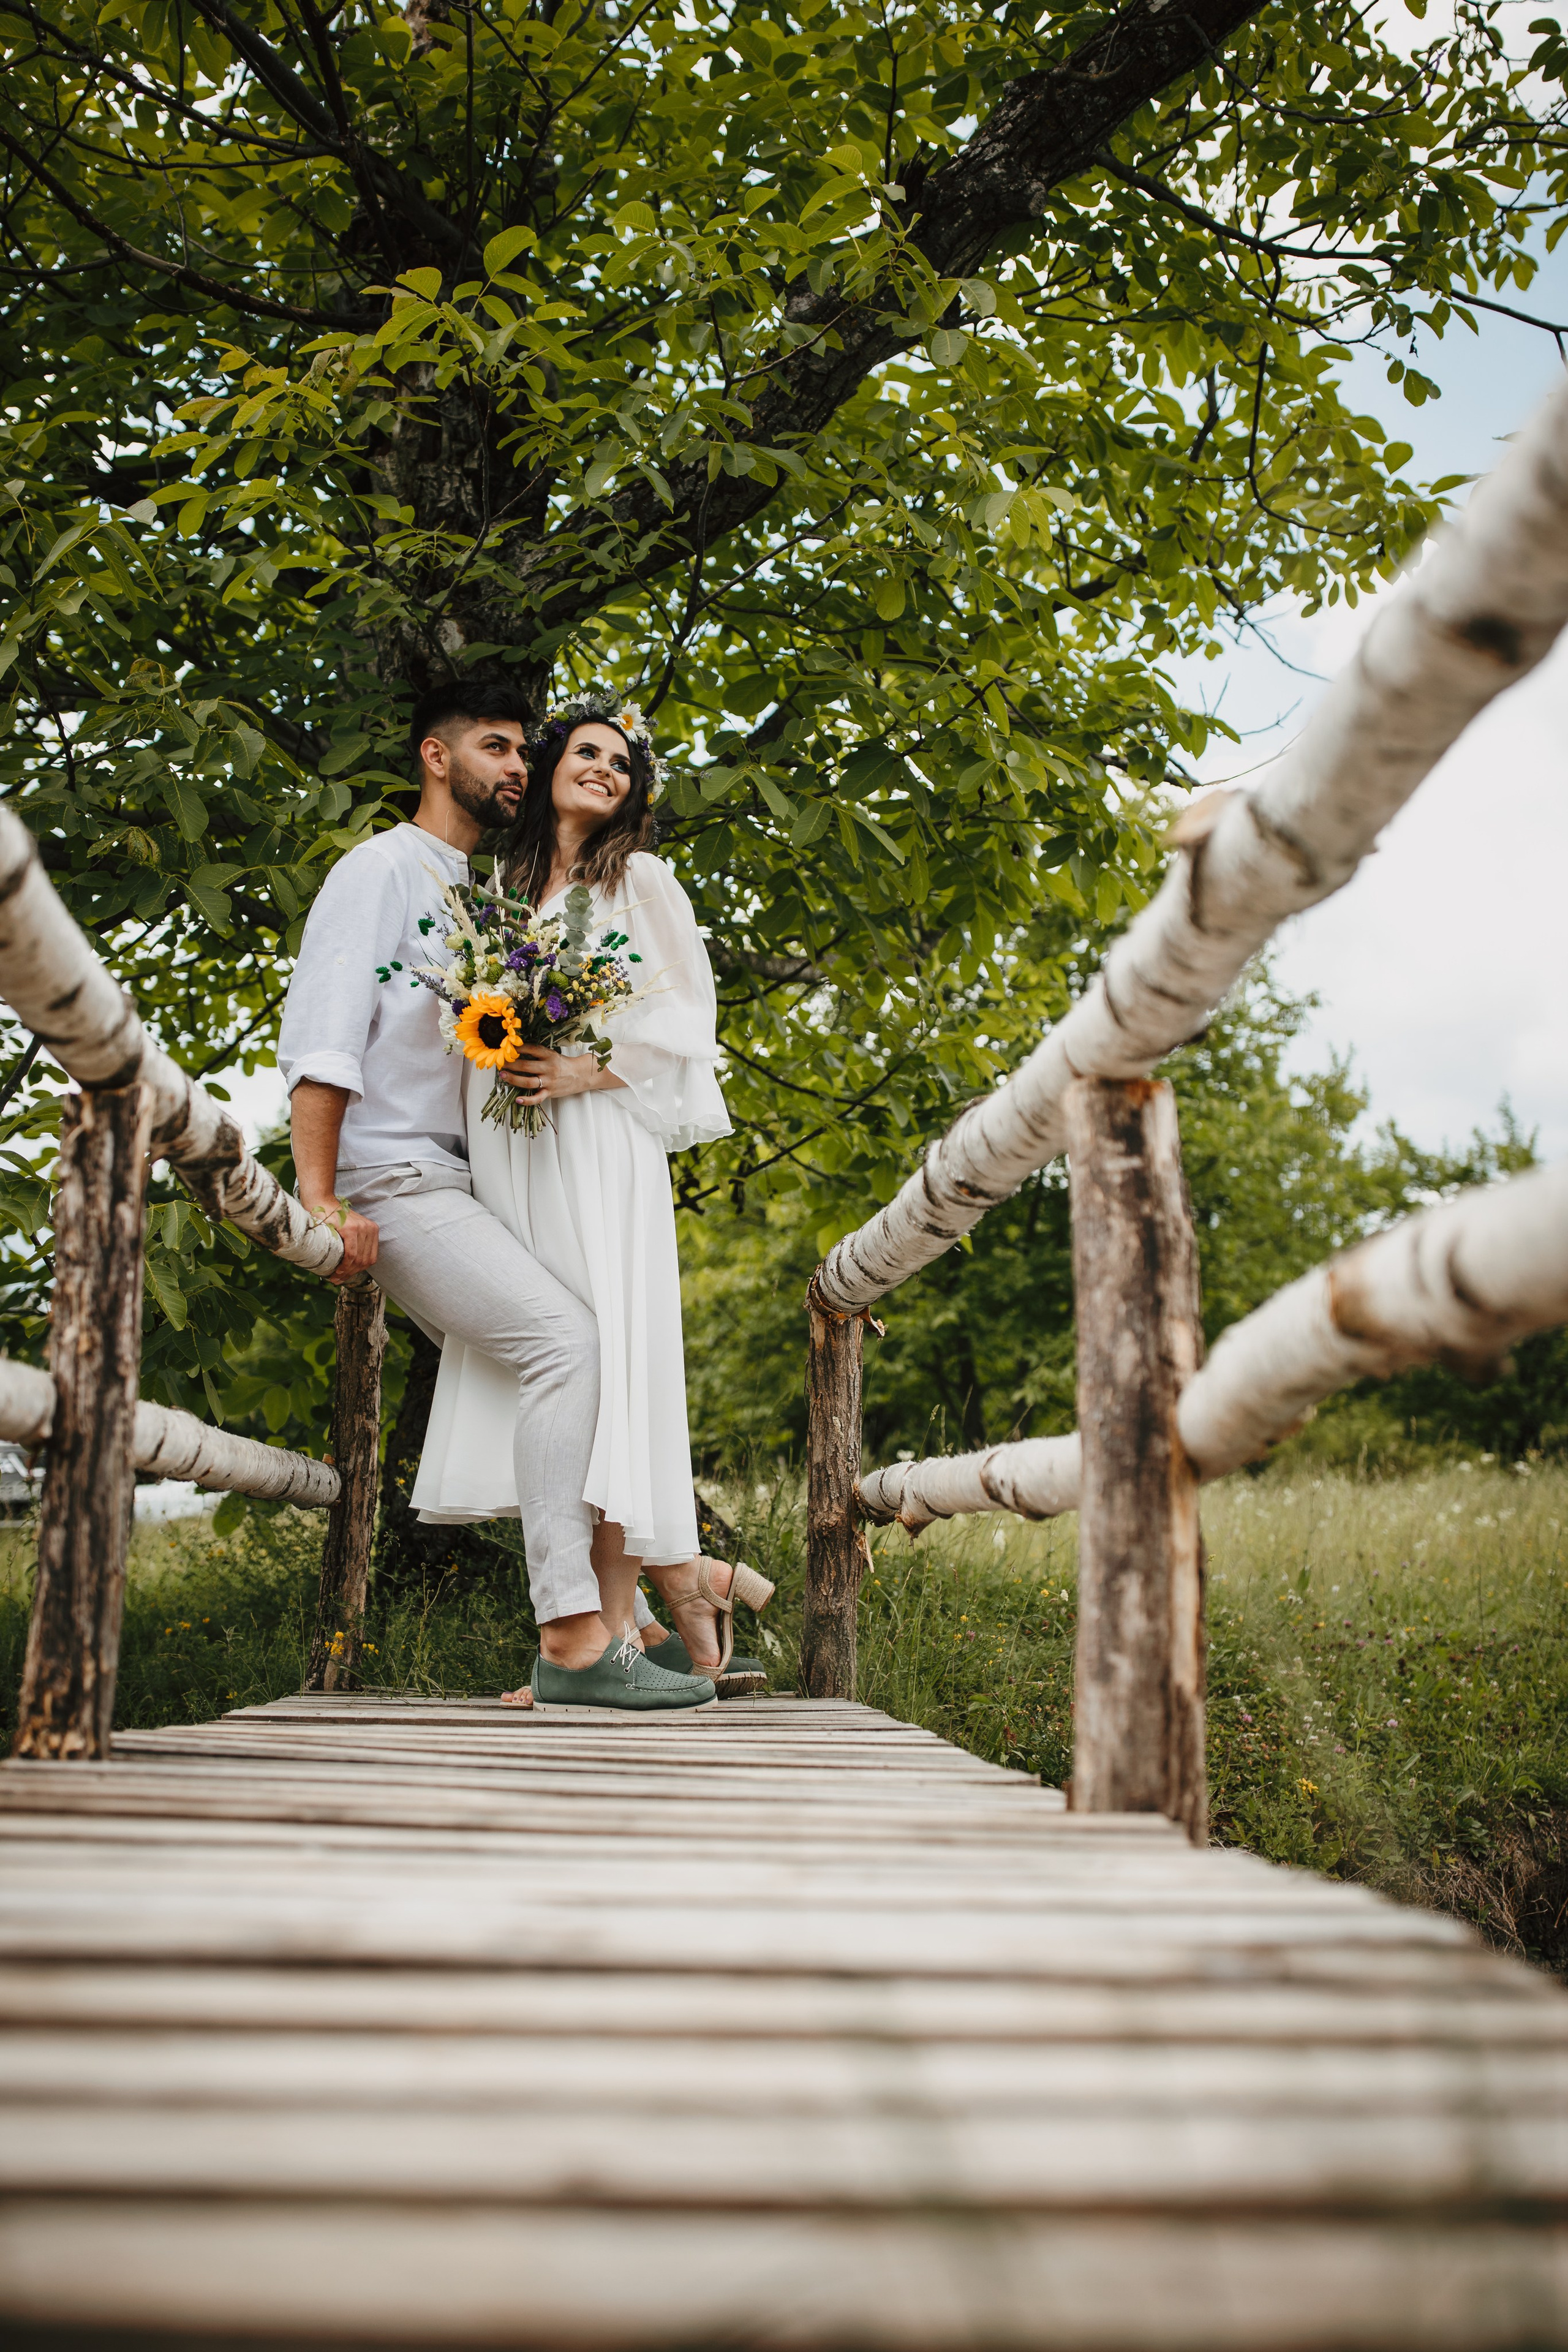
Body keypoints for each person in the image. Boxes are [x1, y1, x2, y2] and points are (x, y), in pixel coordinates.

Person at [277, 680, 733, 1713]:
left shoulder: (485, 892)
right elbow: (324, 1037)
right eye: (503, 748)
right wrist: (314, 1193)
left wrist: (583, 1068)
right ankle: (587, 1631)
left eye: (525, 753)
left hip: (508, 1167)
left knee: (595, 1358)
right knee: (570, 1345)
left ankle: (637, 1617)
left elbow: (672, 1024)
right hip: (416, 1175)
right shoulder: (388, 870)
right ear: (437, 758)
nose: (522, 768)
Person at [407, 694, 775, 1705]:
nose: (606, 769)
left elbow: (688, 1017)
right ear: (552, 765)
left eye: (622, 763)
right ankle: (614, 1629)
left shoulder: (641, 879)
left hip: (598, 1145)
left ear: (632, 793)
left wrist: (582, 1072)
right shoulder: (501, 887)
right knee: (557, 1379)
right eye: (587, 752)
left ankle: (612, 1635)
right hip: (514, 1150)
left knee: (607, 1375)